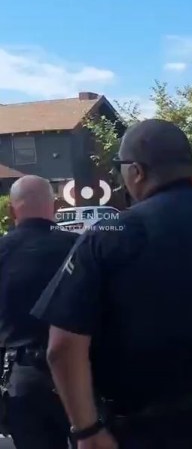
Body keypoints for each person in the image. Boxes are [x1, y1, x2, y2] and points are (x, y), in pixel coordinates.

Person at [32, 119, 192, 448]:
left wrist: (87, 430)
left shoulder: (110, 237)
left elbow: (62, 347)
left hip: (147, 431)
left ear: (136, 171)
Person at [0, 176, 78, 449]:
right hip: (81, 372)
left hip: (23, 375)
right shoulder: (80, 247)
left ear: (12, 210)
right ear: (54, 206)